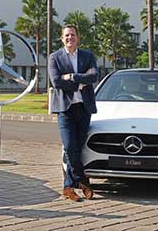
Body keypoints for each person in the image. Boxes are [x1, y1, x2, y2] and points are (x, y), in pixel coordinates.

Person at [48, 24, 98, 202]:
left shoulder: (87, 56)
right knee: (70, 147)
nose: (70, 38)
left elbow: (94, 76)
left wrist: (72, 76)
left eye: (73, 35)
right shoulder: (55, 57)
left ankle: (68, 187)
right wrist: (81, 81)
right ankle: (83, 181)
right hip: (65, 109)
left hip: (84, 108)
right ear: (62, 39)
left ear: (78, 37)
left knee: (77, 148)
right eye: (67, 35)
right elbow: (56, 81)